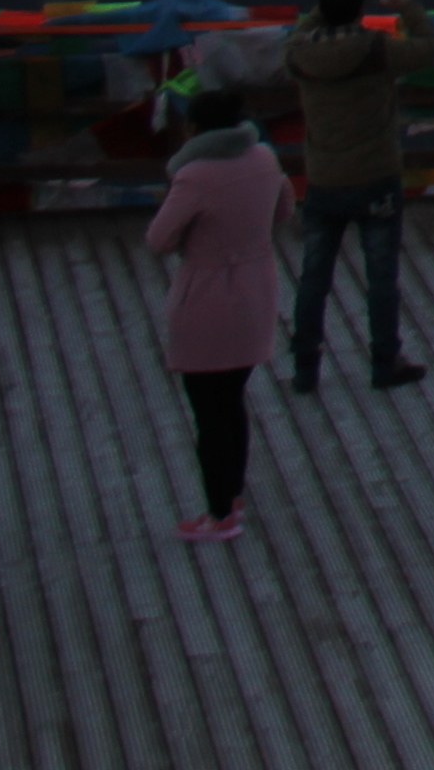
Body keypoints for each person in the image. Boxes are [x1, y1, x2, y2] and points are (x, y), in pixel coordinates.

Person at [144, 84, 296, 541]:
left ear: (194, 127)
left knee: (209, 412)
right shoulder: (265, 159)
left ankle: (219, 515)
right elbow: (285, 208)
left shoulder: (195, 177)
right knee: (232, 399)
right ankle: (231, 498)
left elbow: (158, 240)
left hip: (208, 296)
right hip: (256, 288)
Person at [282, 0, 434, 395]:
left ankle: (305, 367)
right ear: (360, 10)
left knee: (314, 276)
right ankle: (386, 362)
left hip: (324, 179)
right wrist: (406, 4)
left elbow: (299, 34)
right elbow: (429, 47)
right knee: (382, 277)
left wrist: (327, 4)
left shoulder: (300, 54)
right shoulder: (376, 49)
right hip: (375, 176)